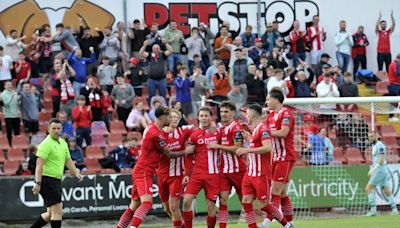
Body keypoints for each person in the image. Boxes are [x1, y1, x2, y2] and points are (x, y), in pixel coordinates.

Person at [116, 107, 192, 228]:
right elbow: (170, 154)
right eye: (169, 117)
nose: (170, 119)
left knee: (133, 207)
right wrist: (187, 151)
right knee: (147, 203)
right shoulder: (157, 134)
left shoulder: (150, 127)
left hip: (140, 169)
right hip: (145, 171)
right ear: (162, 117)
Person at [238, 104, 293, 228]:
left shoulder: (263, 128)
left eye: (247, 113)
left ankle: (287, 225)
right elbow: (258, 145)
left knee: (264, 204)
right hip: (250, 173)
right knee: (246, 201)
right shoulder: (256, 129)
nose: (245, 115)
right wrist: (249, 139)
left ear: (252, 114)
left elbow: (268, 147)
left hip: (261, 173)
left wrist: (247, 150)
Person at [31, 118, 83, 228]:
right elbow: (39, 164)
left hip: (56, 180)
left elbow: (67, 160)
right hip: (47, 180)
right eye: (53, 128)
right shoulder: (46, 144)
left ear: (61, 130)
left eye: (58, 128)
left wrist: (76, 172)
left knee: (50, 214)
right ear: (48, 129)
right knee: (58, 211)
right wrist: (37, 183)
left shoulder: (63, 143)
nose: (56, 130)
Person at [182, 106, 220, 228]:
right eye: (201, 116)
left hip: (212, 175)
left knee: (211, 207)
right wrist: (187, 174)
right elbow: (188, 156)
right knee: (186, 201)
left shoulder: (218, 133)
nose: (204, 118)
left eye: (206, 116)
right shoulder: (194, 135)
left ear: (211, 117)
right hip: (197, 175)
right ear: (198, 118)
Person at [207, 102, 244, 228]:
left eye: (226, 111)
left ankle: (260, 221)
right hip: (223, 170)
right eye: (221, 112)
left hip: (238, 169)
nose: (223, 114)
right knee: (223, 199)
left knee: (245, 201)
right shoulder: (221, 130)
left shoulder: (236, 128)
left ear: (233, 113)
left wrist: (218, 146)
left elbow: (237, 148)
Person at [263, 88, 296, 227]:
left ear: (276, 100)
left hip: (285, 157)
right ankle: (291, 224)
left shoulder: (286, 113)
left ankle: (266, 224)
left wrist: (265, 131)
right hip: (274, 158)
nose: (266, 101)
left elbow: (283, 132)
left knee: (274, 192)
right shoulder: (270, 116)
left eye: (268, 99)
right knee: (282, 194)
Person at [157, 109, 194, 228]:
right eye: (172, 117)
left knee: (174, 206)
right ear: (167, 118)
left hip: (177, 175)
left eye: (177, 118)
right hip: (162, 175)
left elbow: (200, 132)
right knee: (167, 209)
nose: (174, 119)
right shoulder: (159, 134)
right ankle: (181, 225)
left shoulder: (183, 132)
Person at [365, 131, 399, 216]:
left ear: (376, 136)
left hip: (380, 169)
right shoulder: (374, 145)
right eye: (369, 137)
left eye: (372, 136)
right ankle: (395, 210)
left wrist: (374, 169)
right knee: (386, 190)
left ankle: (373, 210)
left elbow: (381, 158)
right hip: (382, 170)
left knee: (368, 188)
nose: (370, 138)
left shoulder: (380, 145)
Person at [1, 81, 20, 146]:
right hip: (8, 116)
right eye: (7, 85)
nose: (9, 86)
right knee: (9, 131)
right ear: (4, 86)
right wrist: (12, 97)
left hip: (16, 115)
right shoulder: (3, 94)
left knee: (17, 132)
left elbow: (17, 104)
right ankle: (10, 144)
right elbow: (6, 104)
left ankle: (17, 144)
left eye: (10, 85)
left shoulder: (15, 93)